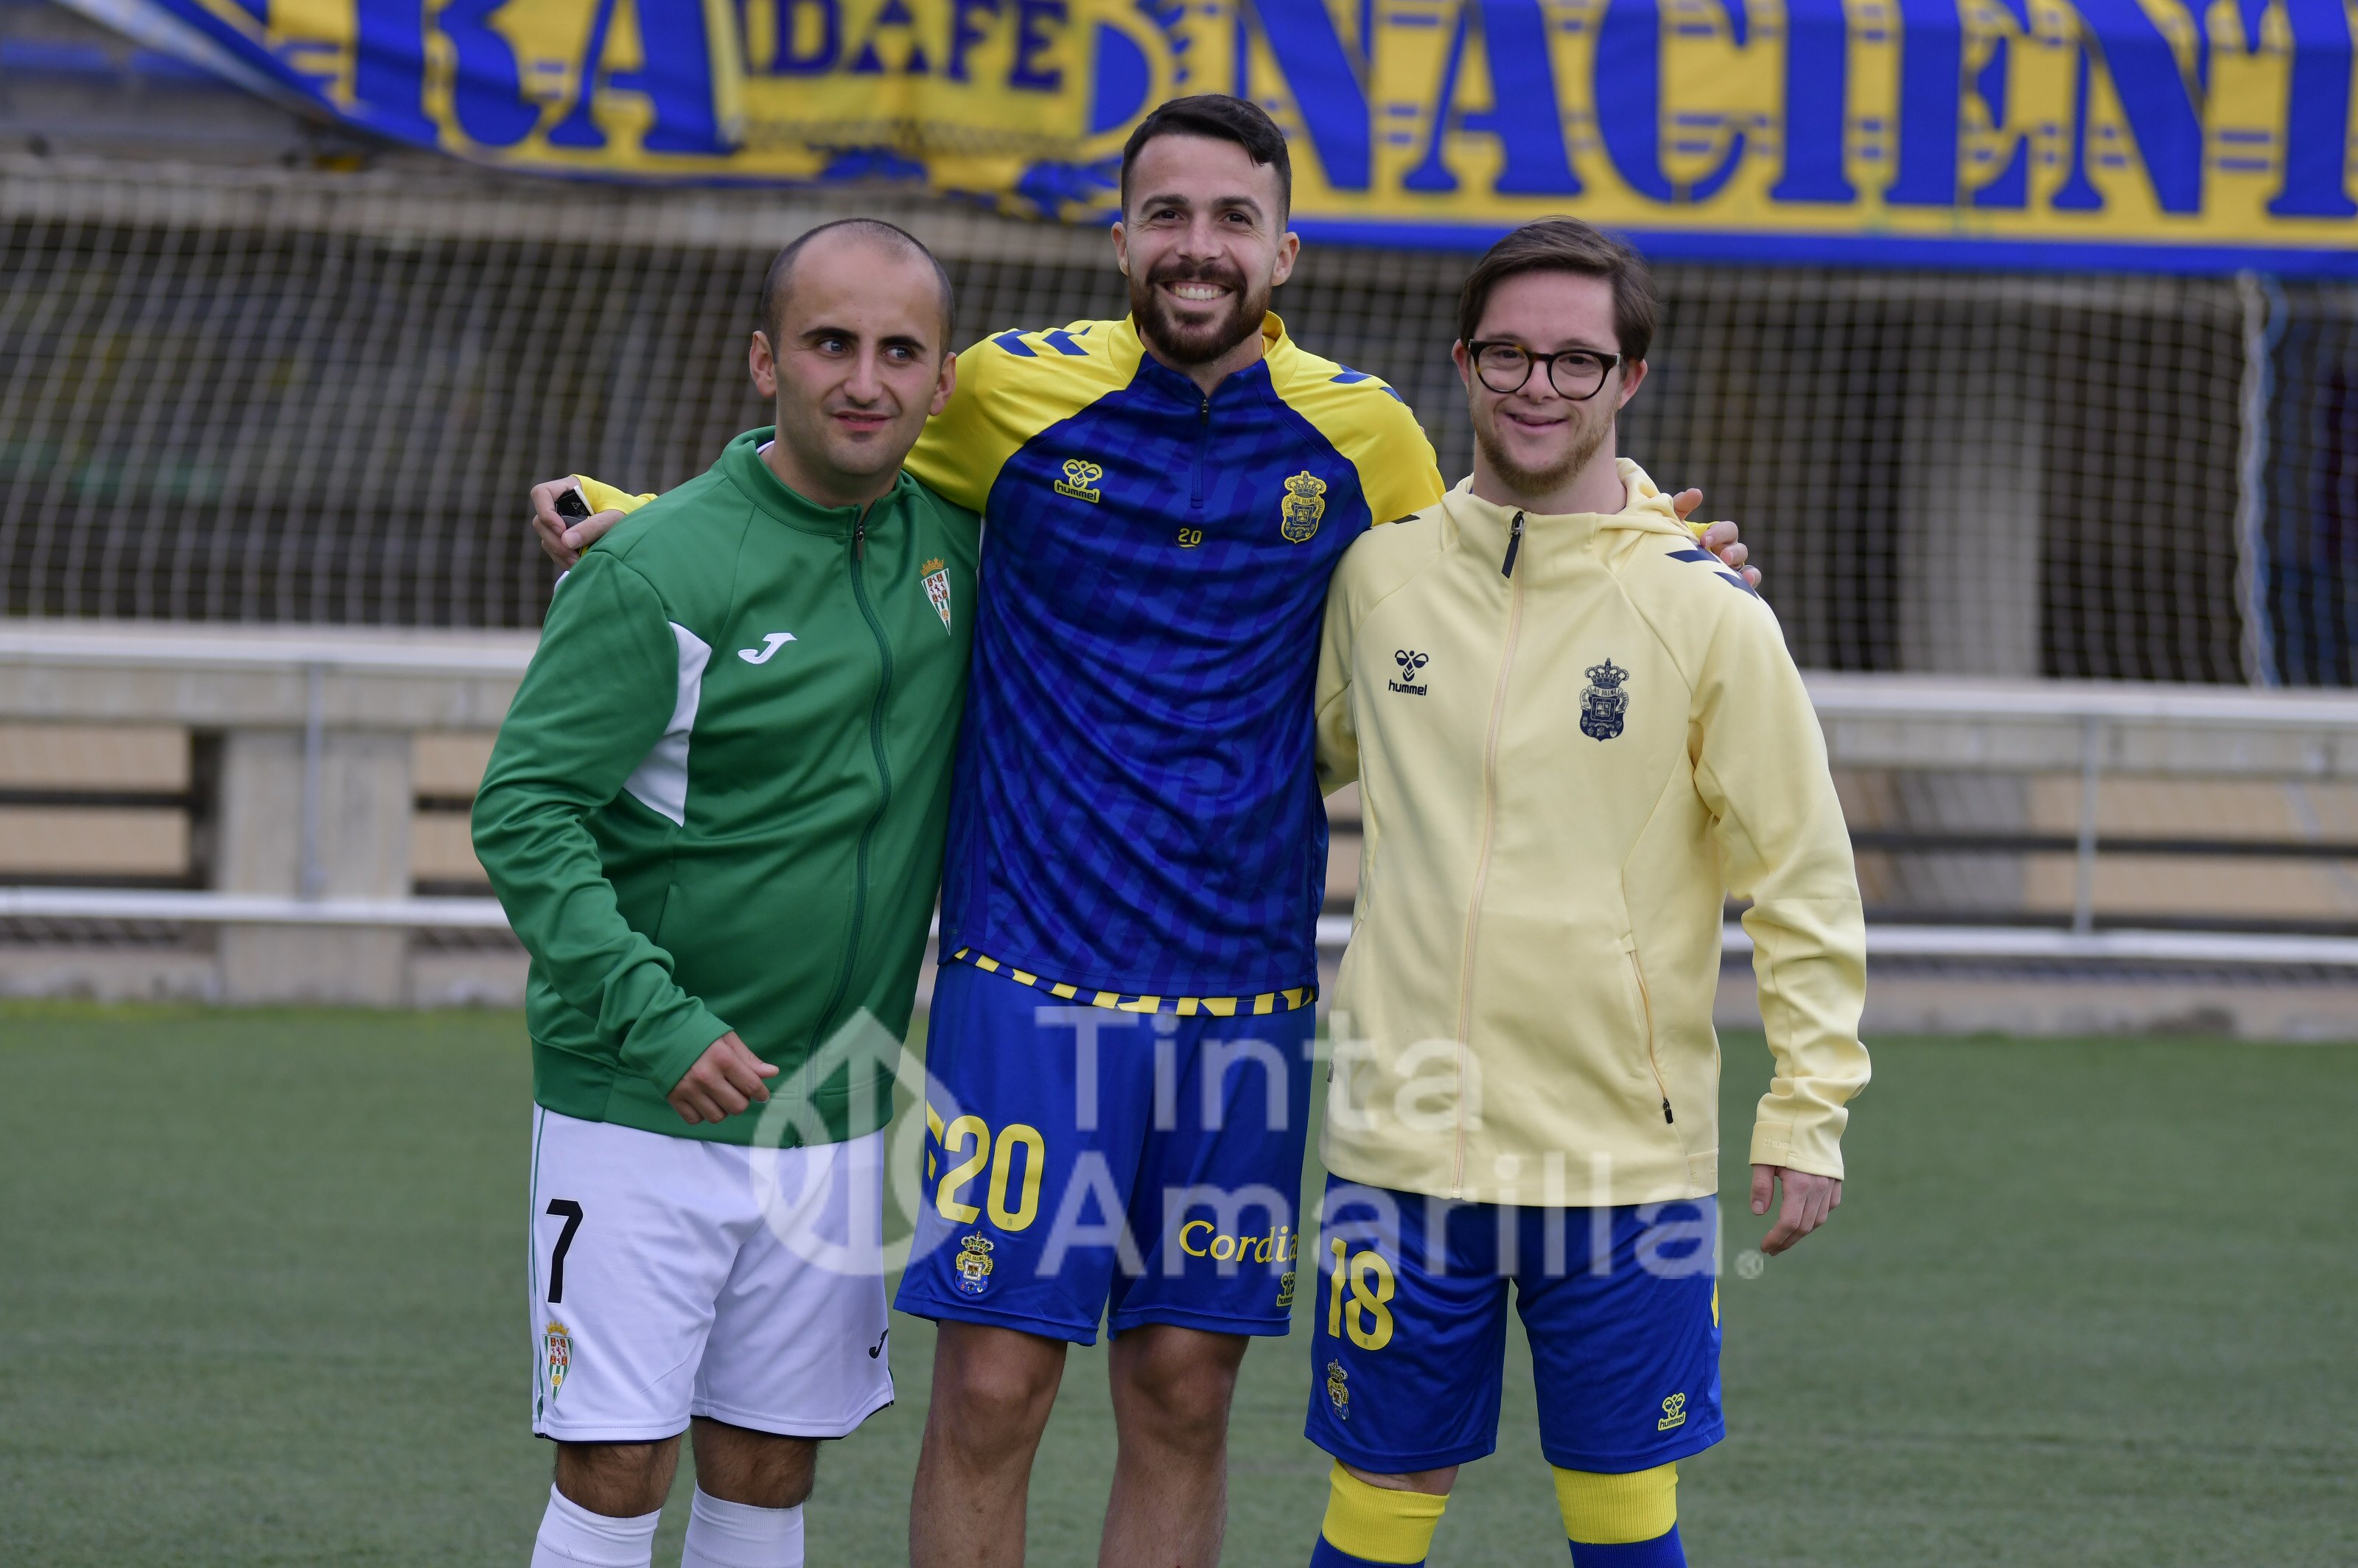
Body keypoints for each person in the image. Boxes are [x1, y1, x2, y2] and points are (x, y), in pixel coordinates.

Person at [530, 97, 1757, 1568]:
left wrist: (1656, 544)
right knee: (992, 1380)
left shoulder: (1362, 434)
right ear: (1119, 237)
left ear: (1283, 247)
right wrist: (647, 511)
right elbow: (833, 449)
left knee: (1183, 1387)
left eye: (1231, 219)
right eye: (1166, 215)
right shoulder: (1004, 391)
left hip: (1240, 991)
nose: (1197, 248)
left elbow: (1501, 560)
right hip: (1022, 974)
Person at [1299, 218, 1871, 1568]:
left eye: (1575, 359)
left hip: (1620, 1156)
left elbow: (1800, 872)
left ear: (1630, 380)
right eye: (1509, 353)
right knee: (1376, 1506)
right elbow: (1288, 755)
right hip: (1403, 1141)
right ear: (1463, 362)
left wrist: (1810, 1108)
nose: (1537, 385)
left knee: (1622, 1517)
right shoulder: (1379, 580)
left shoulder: (1708, 608)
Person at [472, 218, 977, 1568]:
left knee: (766, 1468)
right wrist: (661, 1022)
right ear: (766, 362)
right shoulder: (658, 570)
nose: (862, 379)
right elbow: (524, 812)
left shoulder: (964, 555)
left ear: (943, 382)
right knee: (619, 1467)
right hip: (641, 1098)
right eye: (829, 344)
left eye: (898, 352)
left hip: (837, 1105)